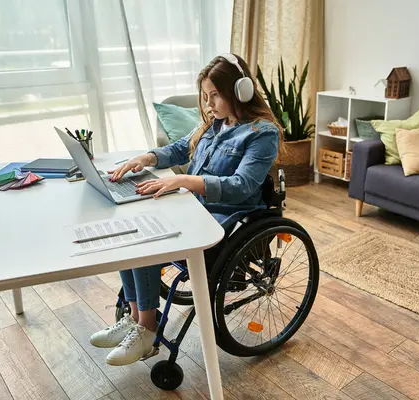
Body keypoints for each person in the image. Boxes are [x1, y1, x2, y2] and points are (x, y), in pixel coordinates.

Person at [89, 53, 283, 366]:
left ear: (240, 91)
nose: (208, 104)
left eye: (215, 96)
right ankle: (135, 318)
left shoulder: (262, 133)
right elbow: (179, 149)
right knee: (131, 227)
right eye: (205, 97)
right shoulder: (212, 126)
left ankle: (147, 331)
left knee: (148, 241)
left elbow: (242, 185)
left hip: (223, 219)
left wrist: (185, 180)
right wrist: (146, 159)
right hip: (193, 207)